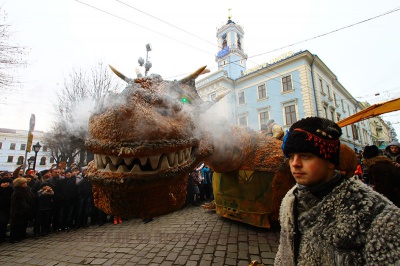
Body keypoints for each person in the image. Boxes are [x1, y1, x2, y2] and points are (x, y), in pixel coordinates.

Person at [274, 117, 400, 265]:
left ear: (330, 161)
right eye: (291, 157)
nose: (295, 164)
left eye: (305, 156)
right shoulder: (290, 200)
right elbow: (284, 253)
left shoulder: (376, 214)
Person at [9, 177, 35, 243]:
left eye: (25, 183)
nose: (25, 184)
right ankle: (14, 237)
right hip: (18, 211)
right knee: (16, 225)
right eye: (24, 183)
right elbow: (18, 203)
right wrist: (26, 208)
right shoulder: (17, 192)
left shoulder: (27, 190)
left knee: (23, 224)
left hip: (26, 210)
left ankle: (21, 235)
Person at [0, 173, 13, 242]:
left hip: (7, 208)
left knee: (5, 222)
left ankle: (3, 235)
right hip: (1, 209)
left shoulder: (10, 189)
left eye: (7, 182)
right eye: (4, 183)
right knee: (2, 222)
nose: (6, 184)